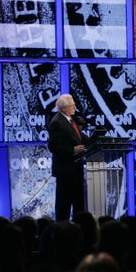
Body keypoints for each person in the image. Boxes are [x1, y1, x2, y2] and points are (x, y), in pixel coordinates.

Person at [48, 93, 89, 221]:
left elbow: (79, 137)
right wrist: (72, 149)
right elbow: (53, 147)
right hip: (65, 170)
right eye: (72, 106)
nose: (75, 108)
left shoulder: (70, 120)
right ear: (64, 108)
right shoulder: (57, 122)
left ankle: (79, 226)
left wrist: (96, 142)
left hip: (75, 169)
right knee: (64, 204)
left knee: (78, 202)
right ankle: (62, 228)